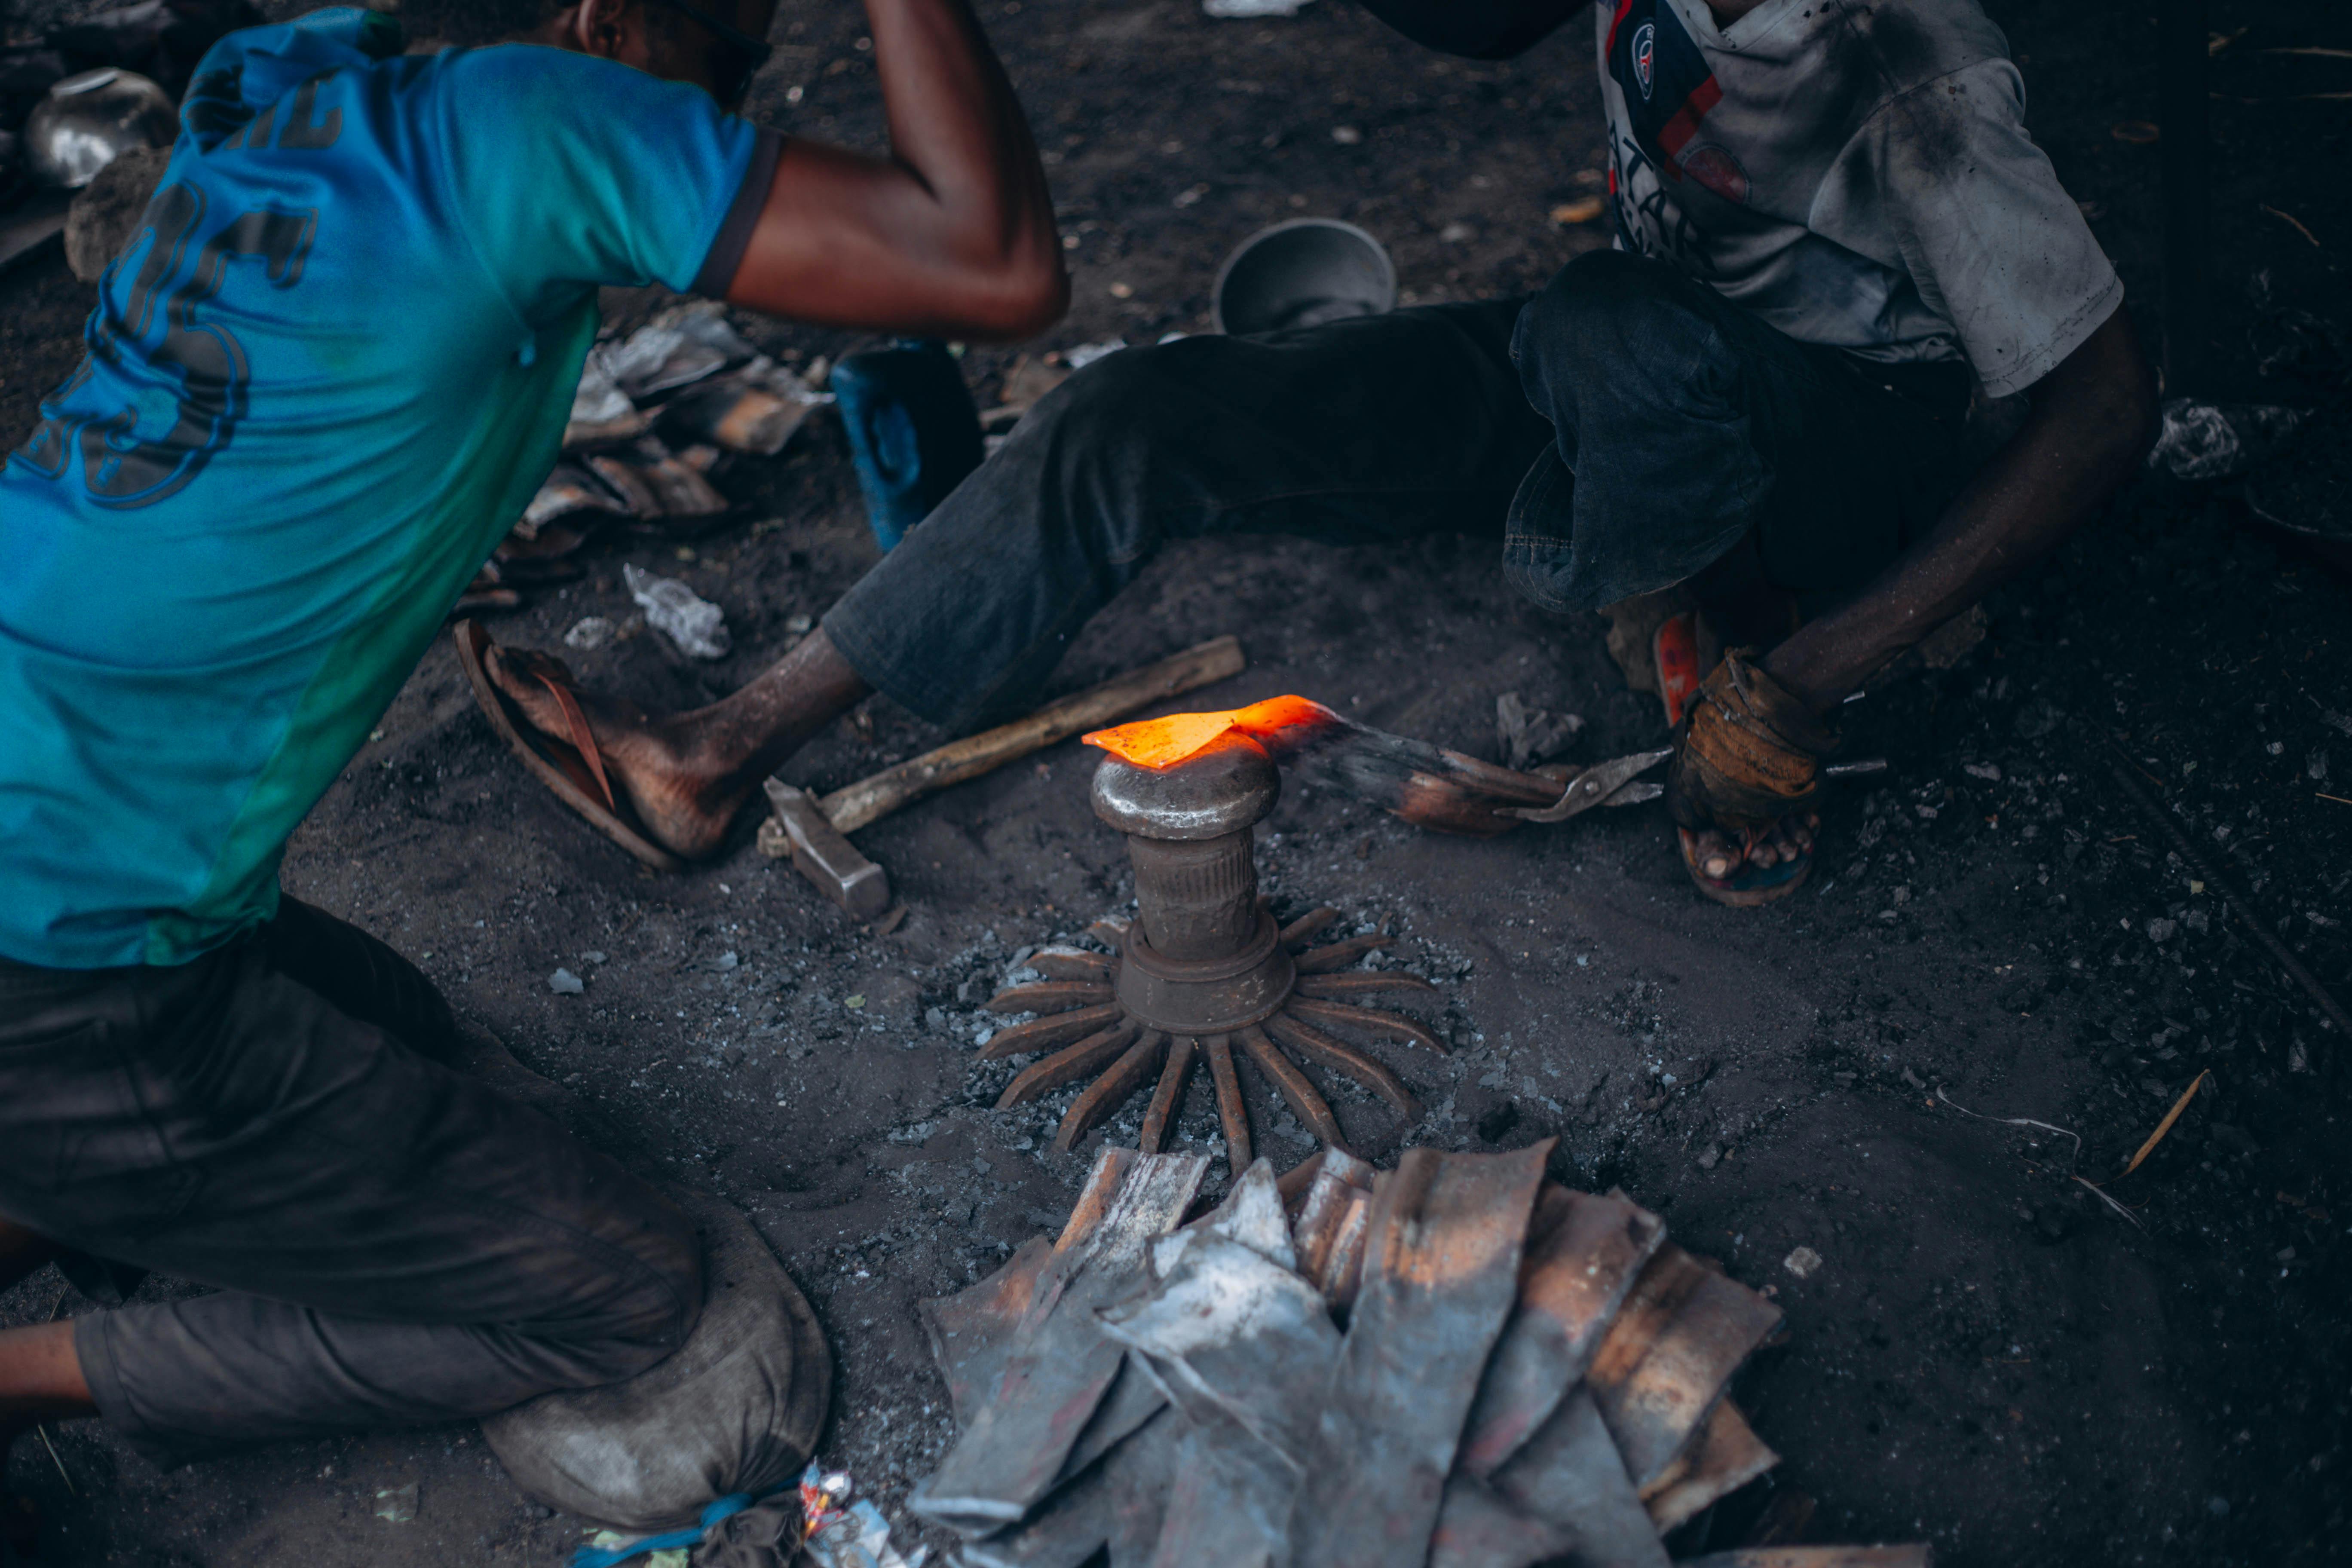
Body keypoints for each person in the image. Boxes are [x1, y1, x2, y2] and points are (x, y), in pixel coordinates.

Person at [0, 0, 1061, 1503]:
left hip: (54, 823)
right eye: (728, 71)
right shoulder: (532, 122)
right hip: (65, 966)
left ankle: (82, 1180)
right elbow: (991, 260)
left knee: (407, 1035)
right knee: (622, 1287)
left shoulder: (295, 96)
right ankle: (24, 1376)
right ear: (605, 21)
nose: (731, 134)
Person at [472, 0, 2156, 908]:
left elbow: (2099, 413)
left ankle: (1726, 632)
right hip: (1640, 365)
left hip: (1845, 440)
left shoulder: (1903, 69)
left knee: (1600, 330)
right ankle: (723, 744)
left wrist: (1821, 673)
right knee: (1141, 414)